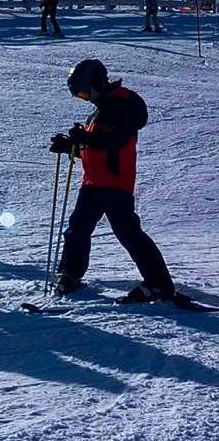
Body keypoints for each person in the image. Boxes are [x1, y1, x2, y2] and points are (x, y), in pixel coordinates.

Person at [50, 59, 175, 302]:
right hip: (94, 182)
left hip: (115, 183)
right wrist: (69, 146)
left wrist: (83, 138)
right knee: (77, 229)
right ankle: (70, 274)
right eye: (80, 96)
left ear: (96, 83)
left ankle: (160, 285)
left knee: (128, 233)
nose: (85, 98)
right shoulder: (101, 110)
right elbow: (94, 147)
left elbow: (114, 141)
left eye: (85, 93)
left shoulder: (121, 105)